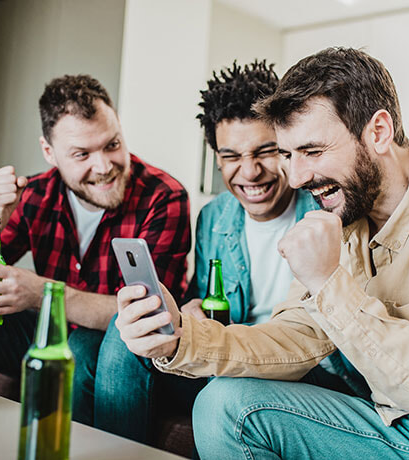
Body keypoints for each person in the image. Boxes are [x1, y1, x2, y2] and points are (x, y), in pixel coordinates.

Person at [116, 47, 409, 459]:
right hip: (391, 427)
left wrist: (327, 281)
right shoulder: (341, 216)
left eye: (313, 152)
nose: (298, 176)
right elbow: (296, 336)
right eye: (287, 154)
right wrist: (177, 338)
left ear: (378, 131)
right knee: (225, 404)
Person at [0, 74, 191, 428]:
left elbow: (153, 316)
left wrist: (41, 293)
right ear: (49, 152)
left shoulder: (164, 197)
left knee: (82, 346)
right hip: (46, 332)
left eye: (112, 144)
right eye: (82, 154)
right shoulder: (36, 194)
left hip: (119, 348)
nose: (104, 166)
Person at [89, 61, 319, 444]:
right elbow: (202, 297)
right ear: (216, 157)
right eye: (231, 156)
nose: (249, 172)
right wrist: (189, 311)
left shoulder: (324, 211)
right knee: (124, 334)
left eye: (265, 151)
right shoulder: (214, 217)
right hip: (223, 360)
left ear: (287, 146)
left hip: (296, 369)